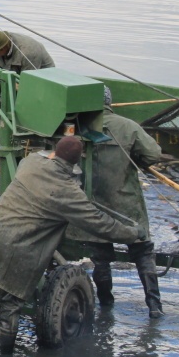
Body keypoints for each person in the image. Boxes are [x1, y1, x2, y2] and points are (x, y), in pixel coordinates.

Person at [0, 136, 143, 354]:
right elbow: (100, 224)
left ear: (54, 152)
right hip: (19, 254)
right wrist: (132, 233)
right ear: (77, 161)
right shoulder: (70, 193)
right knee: (10, 308)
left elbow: (42, 159)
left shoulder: (31, 162)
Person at [68, 86, 166, 317]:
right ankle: (154, 306)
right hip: (126, 202)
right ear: (110, 102)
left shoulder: (77, 127)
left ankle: (106, 304)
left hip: (92, 203)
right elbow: (154, 154)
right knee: (142, 251)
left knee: (101, 258)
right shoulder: (128, 126)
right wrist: (135, 160)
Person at [0, 29, 55, 99]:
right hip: (14, 65)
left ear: (4, 47)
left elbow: (28, 83)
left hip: (41, 76)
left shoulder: (29, 53)